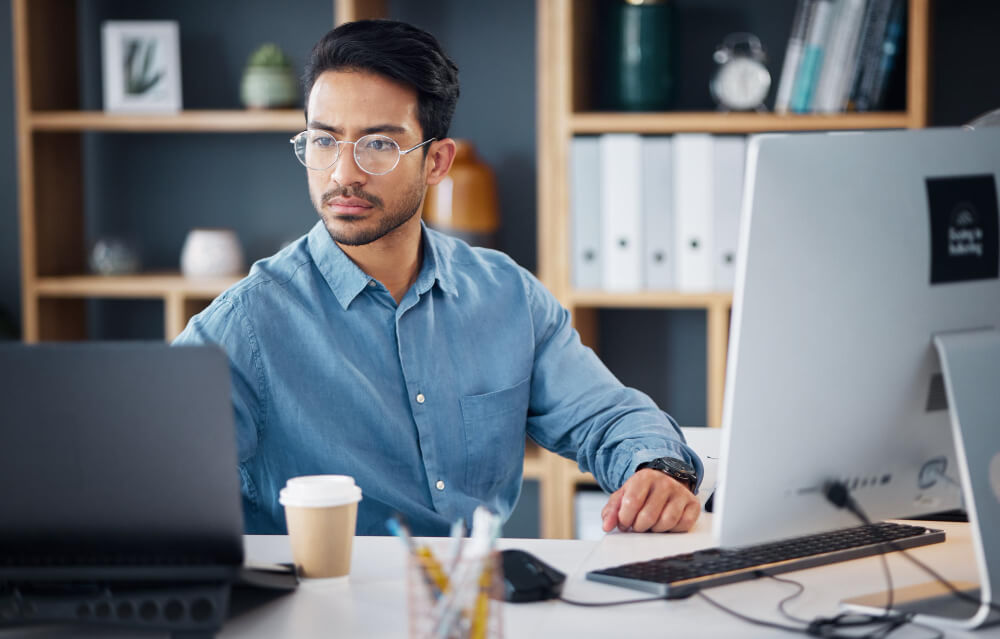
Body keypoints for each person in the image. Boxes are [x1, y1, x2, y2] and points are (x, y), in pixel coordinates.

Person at [174, 19, 703, 537]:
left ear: (436, 162)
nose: (342, 173)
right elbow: (141, 468)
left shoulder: (507, 295)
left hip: (473, 605)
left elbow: (608, 417)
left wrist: (658, 471)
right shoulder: (244, 326)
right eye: (324, 141)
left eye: (378, 144)